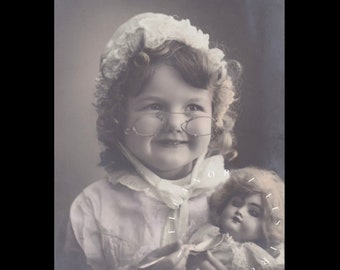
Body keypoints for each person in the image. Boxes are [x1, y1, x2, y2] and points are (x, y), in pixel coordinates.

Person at [63, 12, 241, 270]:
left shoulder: (238, 197)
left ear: (215, 118)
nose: (175, 124)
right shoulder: (93, 209)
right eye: (155, 106)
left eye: (193, 107)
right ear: (119, 118)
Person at [185, 167, 285, 270]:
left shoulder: (252, 254)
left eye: (253, 212)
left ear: (265, 229)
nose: (240, 211)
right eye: (236, 203)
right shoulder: (205, 230)